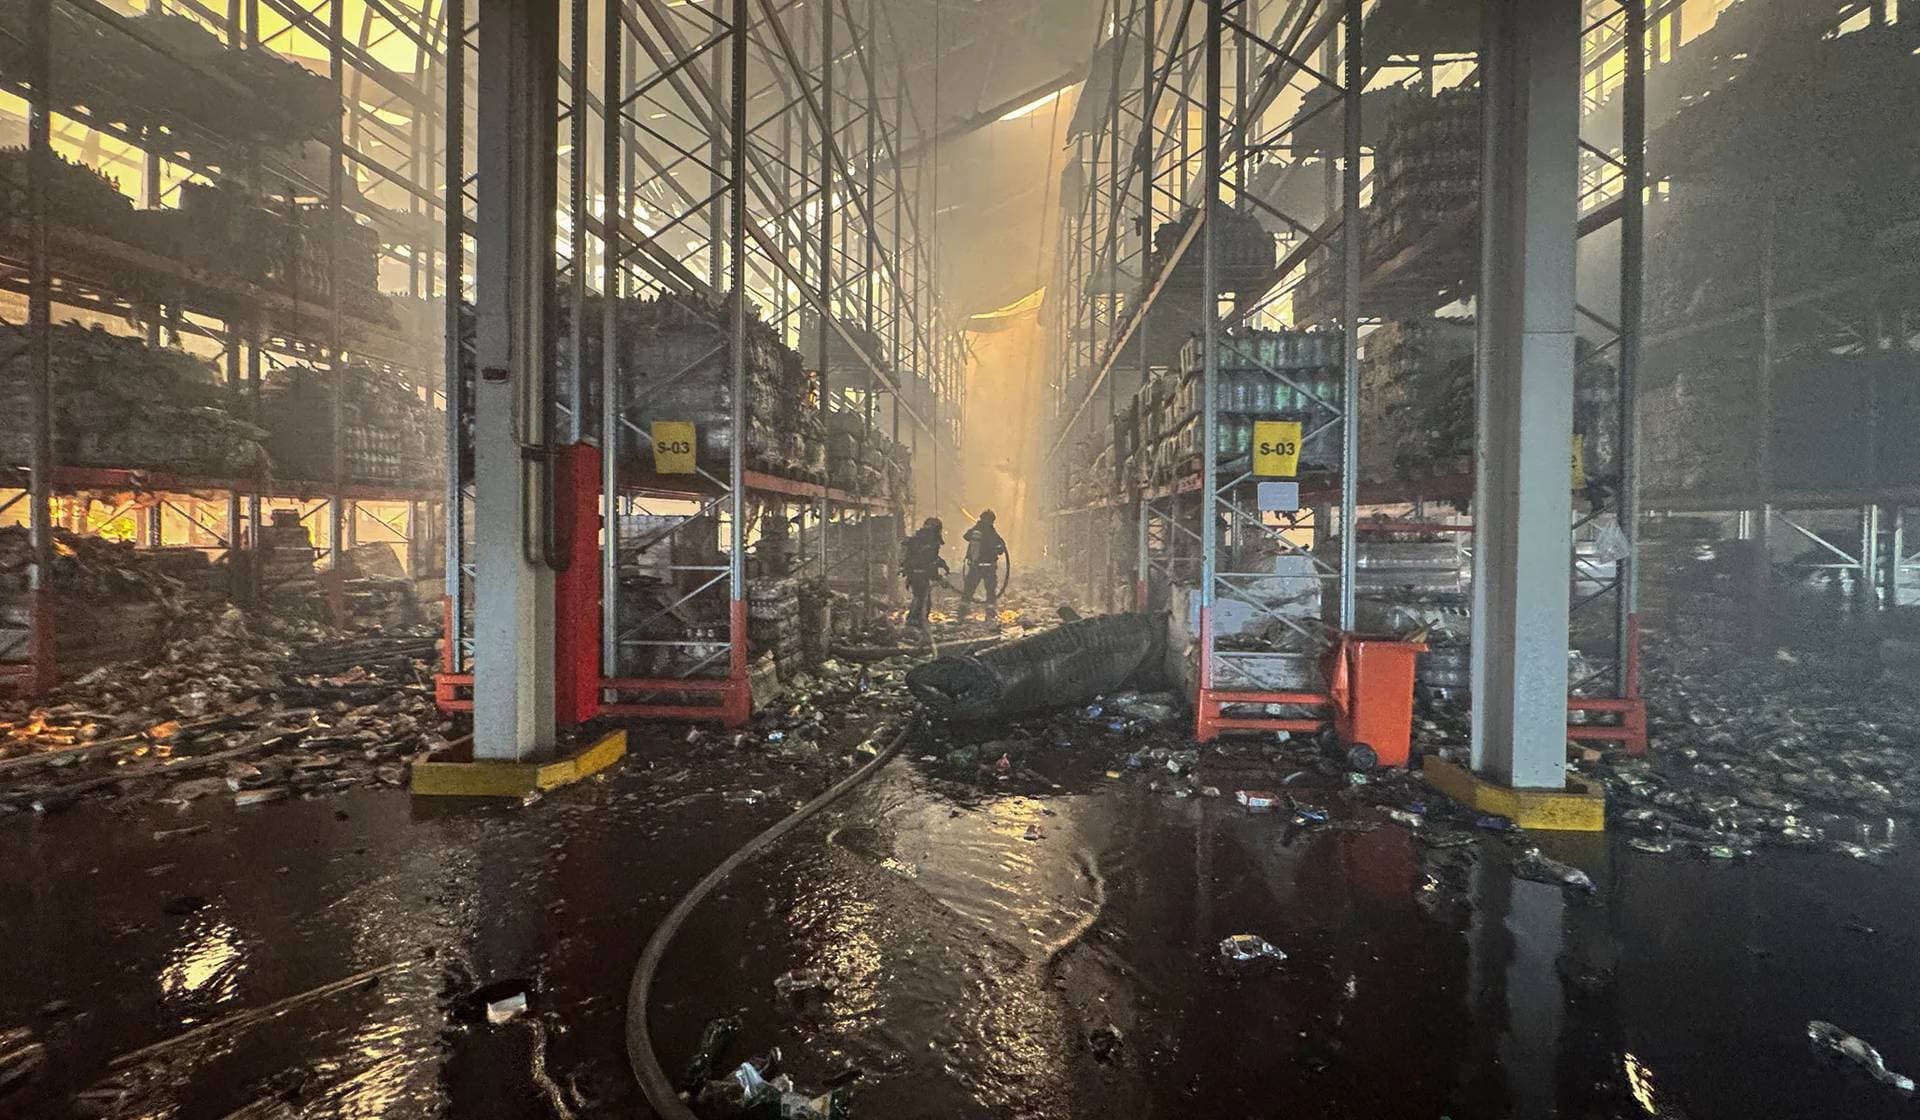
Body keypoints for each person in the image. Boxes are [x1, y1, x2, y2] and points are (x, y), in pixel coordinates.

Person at [900, 517, 948, 629]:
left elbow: (931, 559)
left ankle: (914, 623)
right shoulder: (931, 541)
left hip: (913, 574)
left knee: (920, 597)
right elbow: (930, 562)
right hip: (921, 574)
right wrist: (938, 577)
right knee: (923, 600)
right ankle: (914, 624)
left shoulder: (918, 538)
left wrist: (942, 564)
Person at [960, 510, 1007, 621]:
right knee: (990, 591)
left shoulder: (976, 530)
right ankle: (990, 613)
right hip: (989, 567)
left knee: (969, 589)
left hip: (975, 566)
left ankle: (963, 610)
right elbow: (1001, 546)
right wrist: (997, 549)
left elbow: (966, 536)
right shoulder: (991, 532)